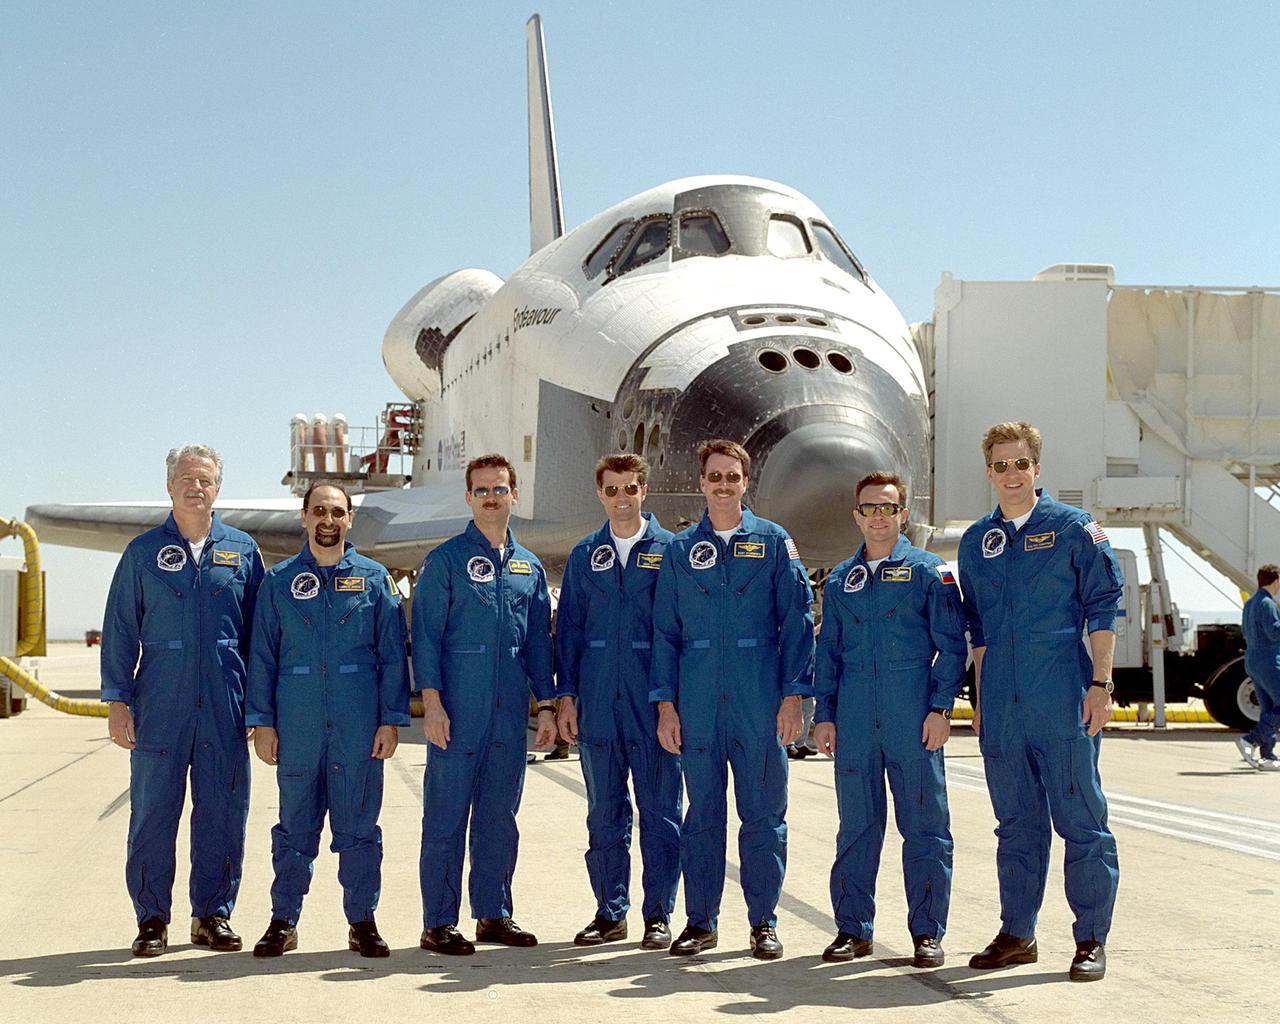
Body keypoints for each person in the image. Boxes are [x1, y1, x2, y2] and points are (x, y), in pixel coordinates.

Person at [958, 421, 1123, 982]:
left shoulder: (1074, 529)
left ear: (1037, 468)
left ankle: (1090, 938)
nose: (1011, 474)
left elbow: (1103, 606)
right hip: (1002, 699)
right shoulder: (978, 541)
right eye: (1000, 465)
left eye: (1020, 463)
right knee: (1016, 824)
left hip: (1062, 691)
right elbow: (976, 628)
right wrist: (981, 699)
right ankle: (1017, 933)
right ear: (989, 472)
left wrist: (1100, 685)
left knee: (1081, 819)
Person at [651, 439, 815, 960]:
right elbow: (665, 635)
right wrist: (666, 705)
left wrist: (794, 699)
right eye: (714, 476)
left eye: (732, 477)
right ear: (701, 483)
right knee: (702, 816)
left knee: (764, 816)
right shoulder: (680, 551)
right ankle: (701, 922)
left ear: (746, 483)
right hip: (697, 705)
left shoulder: (772, 542)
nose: (723, 485)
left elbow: (797, 624)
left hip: (759, 702)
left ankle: (763, 922)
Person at [101, 445, 263, 957]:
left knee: (222, 812)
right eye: (187, 479)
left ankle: (212, 915)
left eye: (207, 480)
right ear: (169, 486)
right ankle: (152, 919)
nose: (197, 487)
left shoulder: (242, 551)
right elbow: (121, 631)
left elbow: (262, 637)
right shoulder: (143, 553)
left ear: (219, 488)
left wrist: (260, 710)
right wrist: (117, 701)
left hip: (226, 703)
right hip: (160, 702)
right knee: (152, 813)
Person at [245, 482, 410, 958]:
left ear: (350, 519)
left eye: (338, 512)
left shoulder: (376, 580)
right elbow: (263, 657)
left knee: (359, 829)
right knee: (294, 828)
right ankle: (283, 920)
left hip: (358, 728)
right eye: (319, 510)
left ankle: (362, 921)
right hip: (297, 726)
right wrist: (264, 722)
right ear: (303, 516)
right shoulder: (278, 584)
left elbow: (392, 657)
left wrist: (390, 720)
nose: (328, 520)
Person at [813, 471, 967, 967]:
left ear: (903, 513)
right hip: (855, 717)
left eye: (887, 507)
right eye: (869, 508)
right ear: (856, 515)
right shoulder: (840, 580)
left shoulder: (930, 572)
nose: (878, 516)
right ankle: (852, 929)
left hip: (912, 714)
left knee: (925, 826)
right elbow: (828, 652)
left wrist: (941, 708)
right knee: (856, 827)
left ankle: (927, 933)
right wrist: (826, 715)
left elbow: (951, 646)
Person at [413, 453, 557, 955]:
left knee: (500, 816)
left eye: (500, 489)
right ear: (469, 497)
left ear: (514, 495)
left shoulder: (528, 567)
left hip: (507, 712)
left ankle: (494, 913)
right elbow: (426, 637)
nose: (492, 497)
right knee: (446, 817)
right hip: (457, 710)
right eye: (482, 490)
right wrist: (431, 704)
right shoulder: (447, 560)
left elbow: (539, 643)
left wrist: (547, 707)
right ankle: (438, 922)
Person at [556, 453, 681, 949]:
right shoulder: (586, 555)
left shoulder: (673, 551)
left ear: (644, 492)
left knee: (661, 812)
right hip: (599, 702)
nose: (622, 498)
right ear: (600, 494)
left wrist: (671, 701)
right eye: (613, 490)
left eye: (631, 489)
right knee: (604, 812)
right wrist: (566, 697)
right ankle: (610, 911)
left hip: (653, 702)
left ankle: (657, 914)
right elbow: (568, 633)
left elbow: (678, 631)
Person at [1236, 564, 1280, 770]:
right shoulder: (1268, 604)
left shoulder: (1251, 603)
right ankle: (1250, 740)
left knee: (1269, 709)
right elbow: (1274, 633)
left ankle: (1268, 756)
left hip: (1252, 660)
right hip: (1269, 660)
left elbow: (1245, 631)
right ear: (1276, 580)